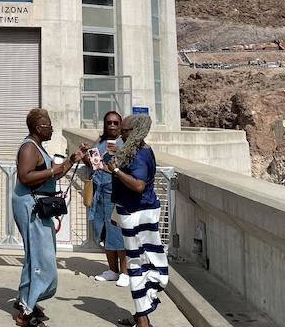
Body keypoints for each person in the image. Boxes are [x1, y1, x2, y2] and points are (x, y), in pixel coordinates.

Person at [12, 108, 87, 327]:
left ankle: (25, 299)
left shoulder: (38, 147)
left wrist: (73, 159)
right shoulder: (28, 148)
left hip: (35, 204)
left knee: (34, 256)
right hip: (29, 206)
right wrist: (52, 171)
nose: (52, 128)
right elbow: (25, 177)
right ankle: (25, 315)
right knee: (42, 260)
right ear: (38, 128)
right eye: (48, 125)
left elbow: (52, 173)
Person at [103, 115, 168, 327]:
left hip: (139, 214)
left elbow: (138, 185)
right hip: (132, 210)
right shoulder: (136, 150)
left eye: (125, 131)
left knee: (138, 266)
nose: (121, 134)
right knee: (139, 264)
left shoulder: (140, 154)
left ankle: (142, 319)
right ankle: (142, 315)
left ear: (136, 132)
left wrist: (115, 170)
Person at [88, 110, 128, 285]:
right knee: (104, 230)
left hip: (117, 193)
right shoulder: (100, 142)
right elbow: (94, 164)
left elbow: (131, 165)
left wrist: (120, 151)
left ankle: (125, 272)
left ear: (121, 125)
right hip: (100, 193)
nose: (112, 125)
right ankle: (112, 269)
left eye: (115, 123)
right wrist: (86, 156)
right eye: (108, 122)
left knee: (118, 232)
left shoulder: (126, 143)